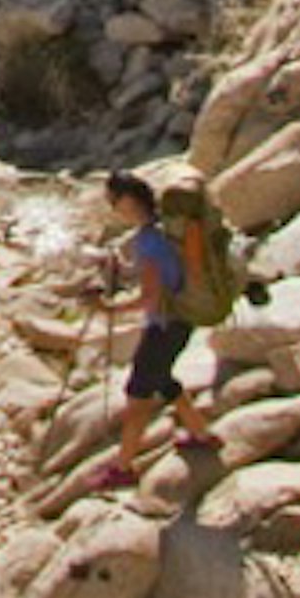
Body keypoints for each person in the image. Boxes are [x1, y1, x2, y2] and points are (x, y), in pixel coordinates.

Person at [100, 165, 200, 485]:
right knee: (163, 378)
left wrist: (110, 308)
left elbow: (150, 297)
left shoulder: (148, 240)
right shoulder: (164, 230)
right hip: (184, 318)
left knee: (138, 393)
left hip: (166, 323)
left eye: (114, 201)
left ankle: (124, 467)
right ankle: (201, 433)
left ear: (128, 202)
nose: (114, 208)